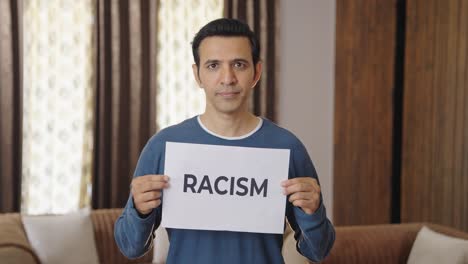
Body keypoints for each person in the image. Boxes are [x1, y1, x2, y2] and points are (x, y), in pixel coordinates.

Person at [114, 18, 335, 264]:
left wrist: (313, 213)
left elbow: (318, 251)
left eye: (239, 64)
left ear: (256, 72)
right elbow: (130, 247)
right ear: (197, 74)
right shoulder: (164, 145)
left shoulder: (287, 147)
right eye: (213, 66)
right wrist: (139, 209)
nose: (227, 78)